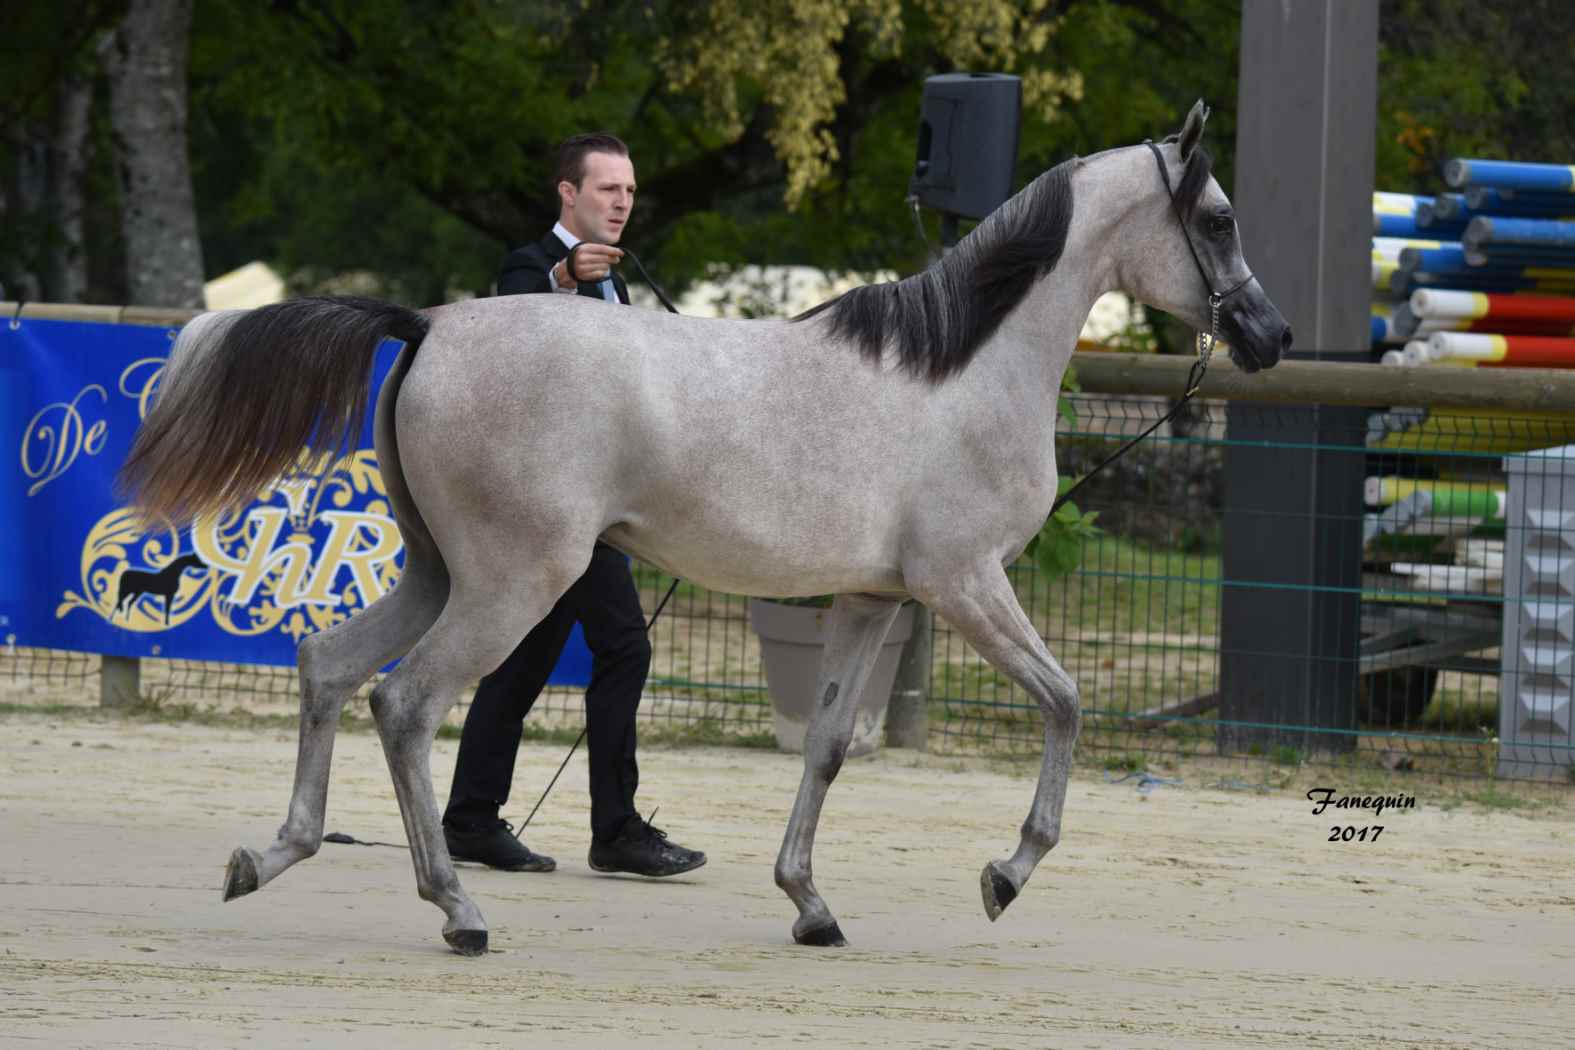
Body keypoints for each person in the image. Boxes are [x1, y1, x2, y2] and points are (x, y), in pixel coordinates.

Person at [441, 132, 706, 878]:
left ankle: (468, 818)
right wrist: (561, 277)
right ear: (568, 193)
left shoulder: (621, 281)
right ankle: (614, 830)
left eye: (628, 191)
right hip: (557, 503)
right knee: (623, 646)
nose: (621, 203)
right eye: (606, 190)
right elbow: (511, 331)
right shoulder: (532, 265)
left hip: (597, 505)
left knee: (524, 657)